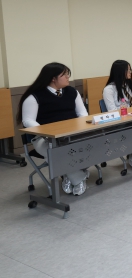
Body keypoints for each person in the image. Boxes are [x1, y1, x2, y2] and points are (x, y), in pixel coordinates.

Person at [18, 63, 91, 196]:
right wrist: (47, 133)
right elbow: (28, 121)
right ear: (53, 78)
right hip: (44, 139)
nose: (68, 77)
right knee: (56, 152)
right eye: (64, 75)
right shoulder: (34, 97)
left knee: (93, 143)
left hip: (71, 134)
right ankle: (78, 178)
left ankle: (68, 175)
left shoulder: (72, 92)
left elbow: (82, 114)